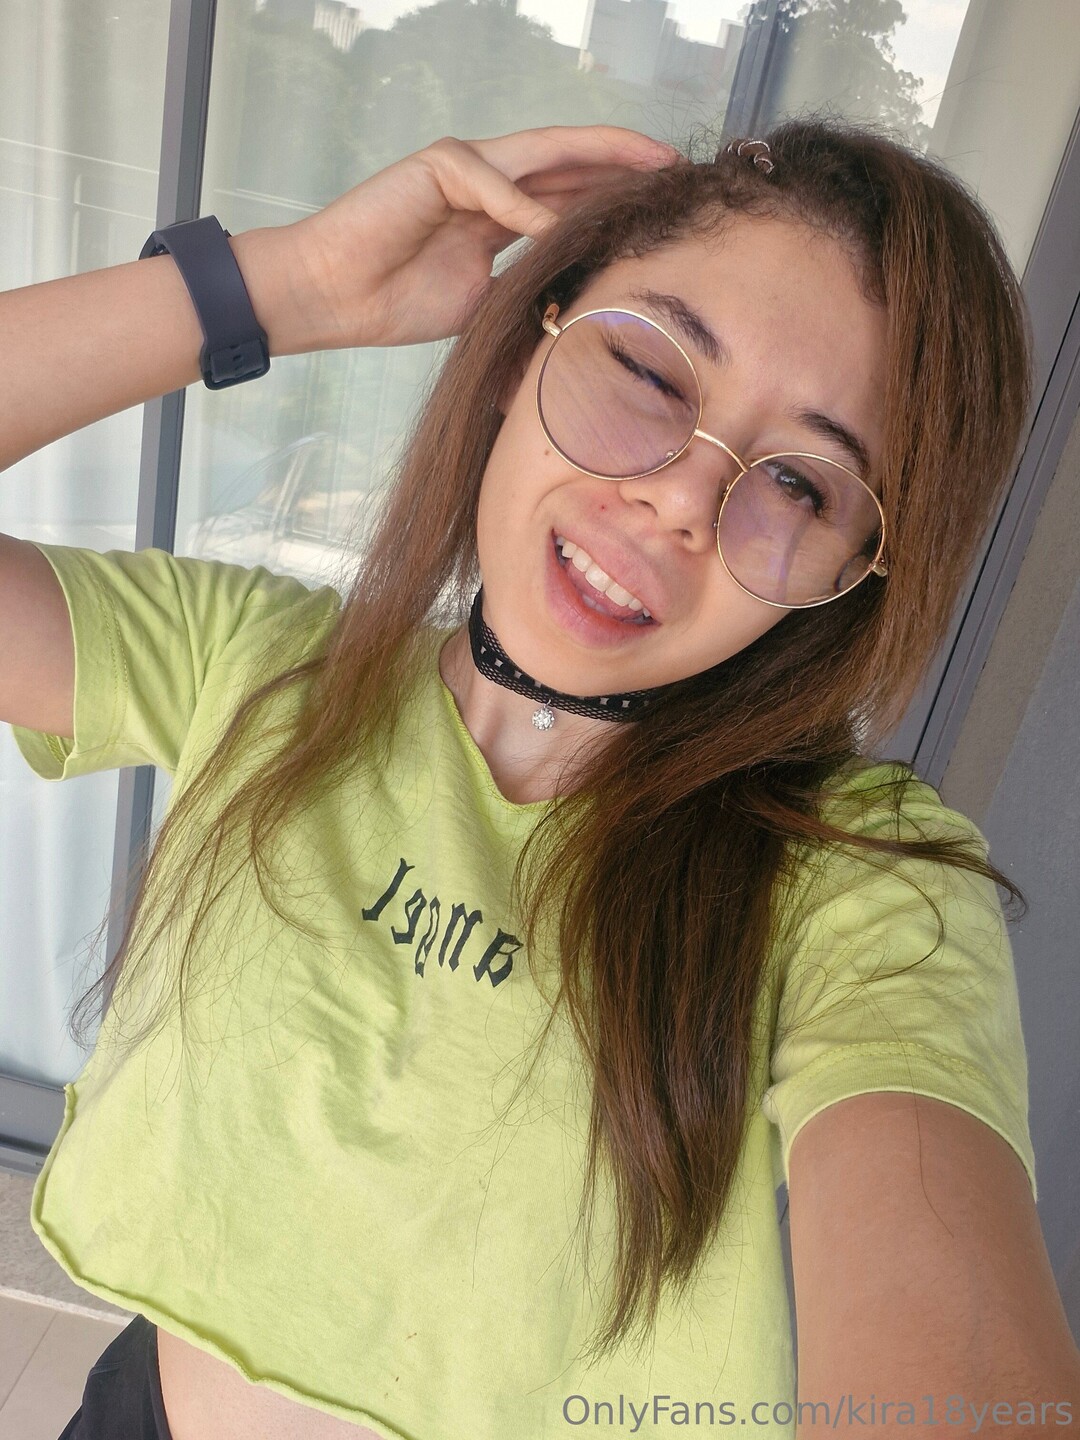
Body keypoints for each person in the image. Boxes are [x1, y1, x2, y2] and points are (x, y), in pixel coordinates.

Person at [2, 121, 1078, 1440]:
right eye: (650, 369)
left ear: (854, 573)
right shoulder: (258, 667)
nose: (684, 501)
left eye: (801, 482)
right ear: (528, 348)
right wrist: (296, 284)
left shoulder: (857, 888)